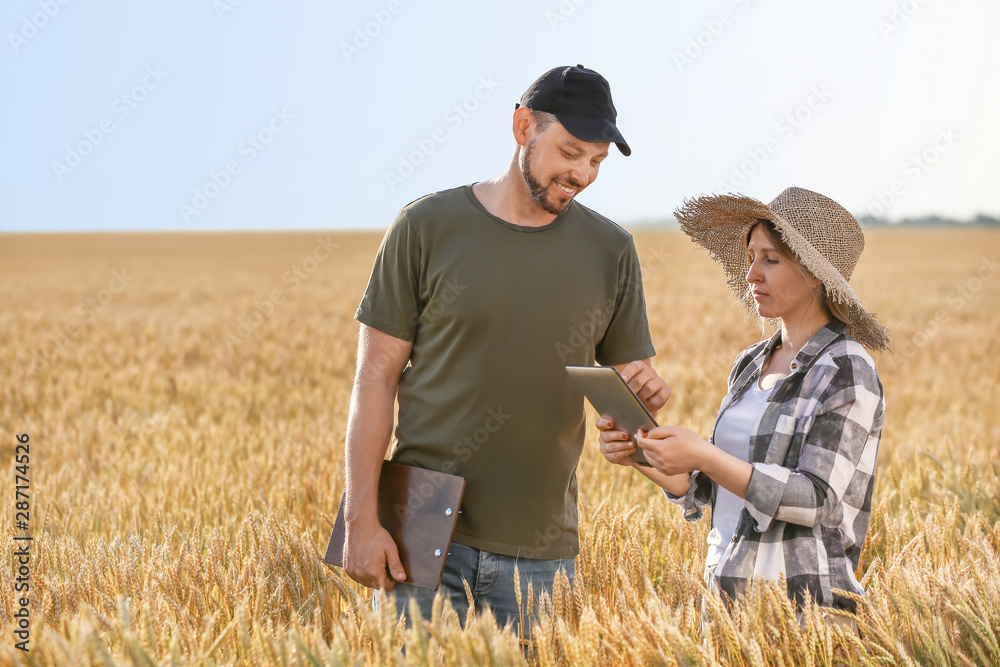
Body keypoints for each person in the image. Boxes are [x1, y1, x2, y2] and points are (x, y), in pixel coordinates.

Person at [341, 65, 671, 637]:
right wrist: (360, 521)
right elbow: (375, 376)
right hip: (418, 533)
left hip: (542, 550)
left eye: (597, 161)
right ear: (523, 128)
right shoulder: (426, 226)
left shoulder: (611, 250)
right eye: (571, 152)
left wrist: (643, 404)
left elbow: (624, 402)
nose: (583, 174)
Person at [597, 187, 890, 622]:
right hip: (727, 601)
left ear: (815, 274)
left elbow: (817, 500)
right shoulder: (750, 362)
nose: (752, 274)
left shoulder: (846, 369)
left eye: (770, 259)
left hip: (802, 611)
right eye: (750, 256)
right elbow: (711, 490)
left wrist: (705, 455)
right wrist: (640, 455)